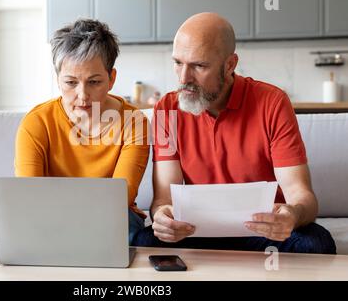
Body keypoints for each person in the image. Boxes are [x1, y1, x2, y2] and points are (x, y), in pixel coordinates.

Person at [133, 13, 336, 254]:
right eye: (178, 63)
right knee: (143, 242)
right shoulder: (167, 110)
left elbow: (302, 196)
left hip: (262, 232)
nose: (184, 78)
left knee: (316, 243)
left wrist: (292, 214)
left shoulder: (272, 103)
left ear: (230, 65)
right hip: (195, 230)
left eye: (199, 66)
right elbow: (163, 199)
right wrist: (163, 217)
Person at [14, 19, 150, 244]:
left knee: (132, 233)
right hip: (50, 218)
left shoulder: (134, 122)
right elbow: (30, 198)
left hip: (114, 217)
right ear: (57, 79)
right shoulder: (37, 122)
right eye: (70, 82)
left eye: (94, 82)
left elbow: (120, 197)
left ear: (111, 79)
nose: (83, 95)